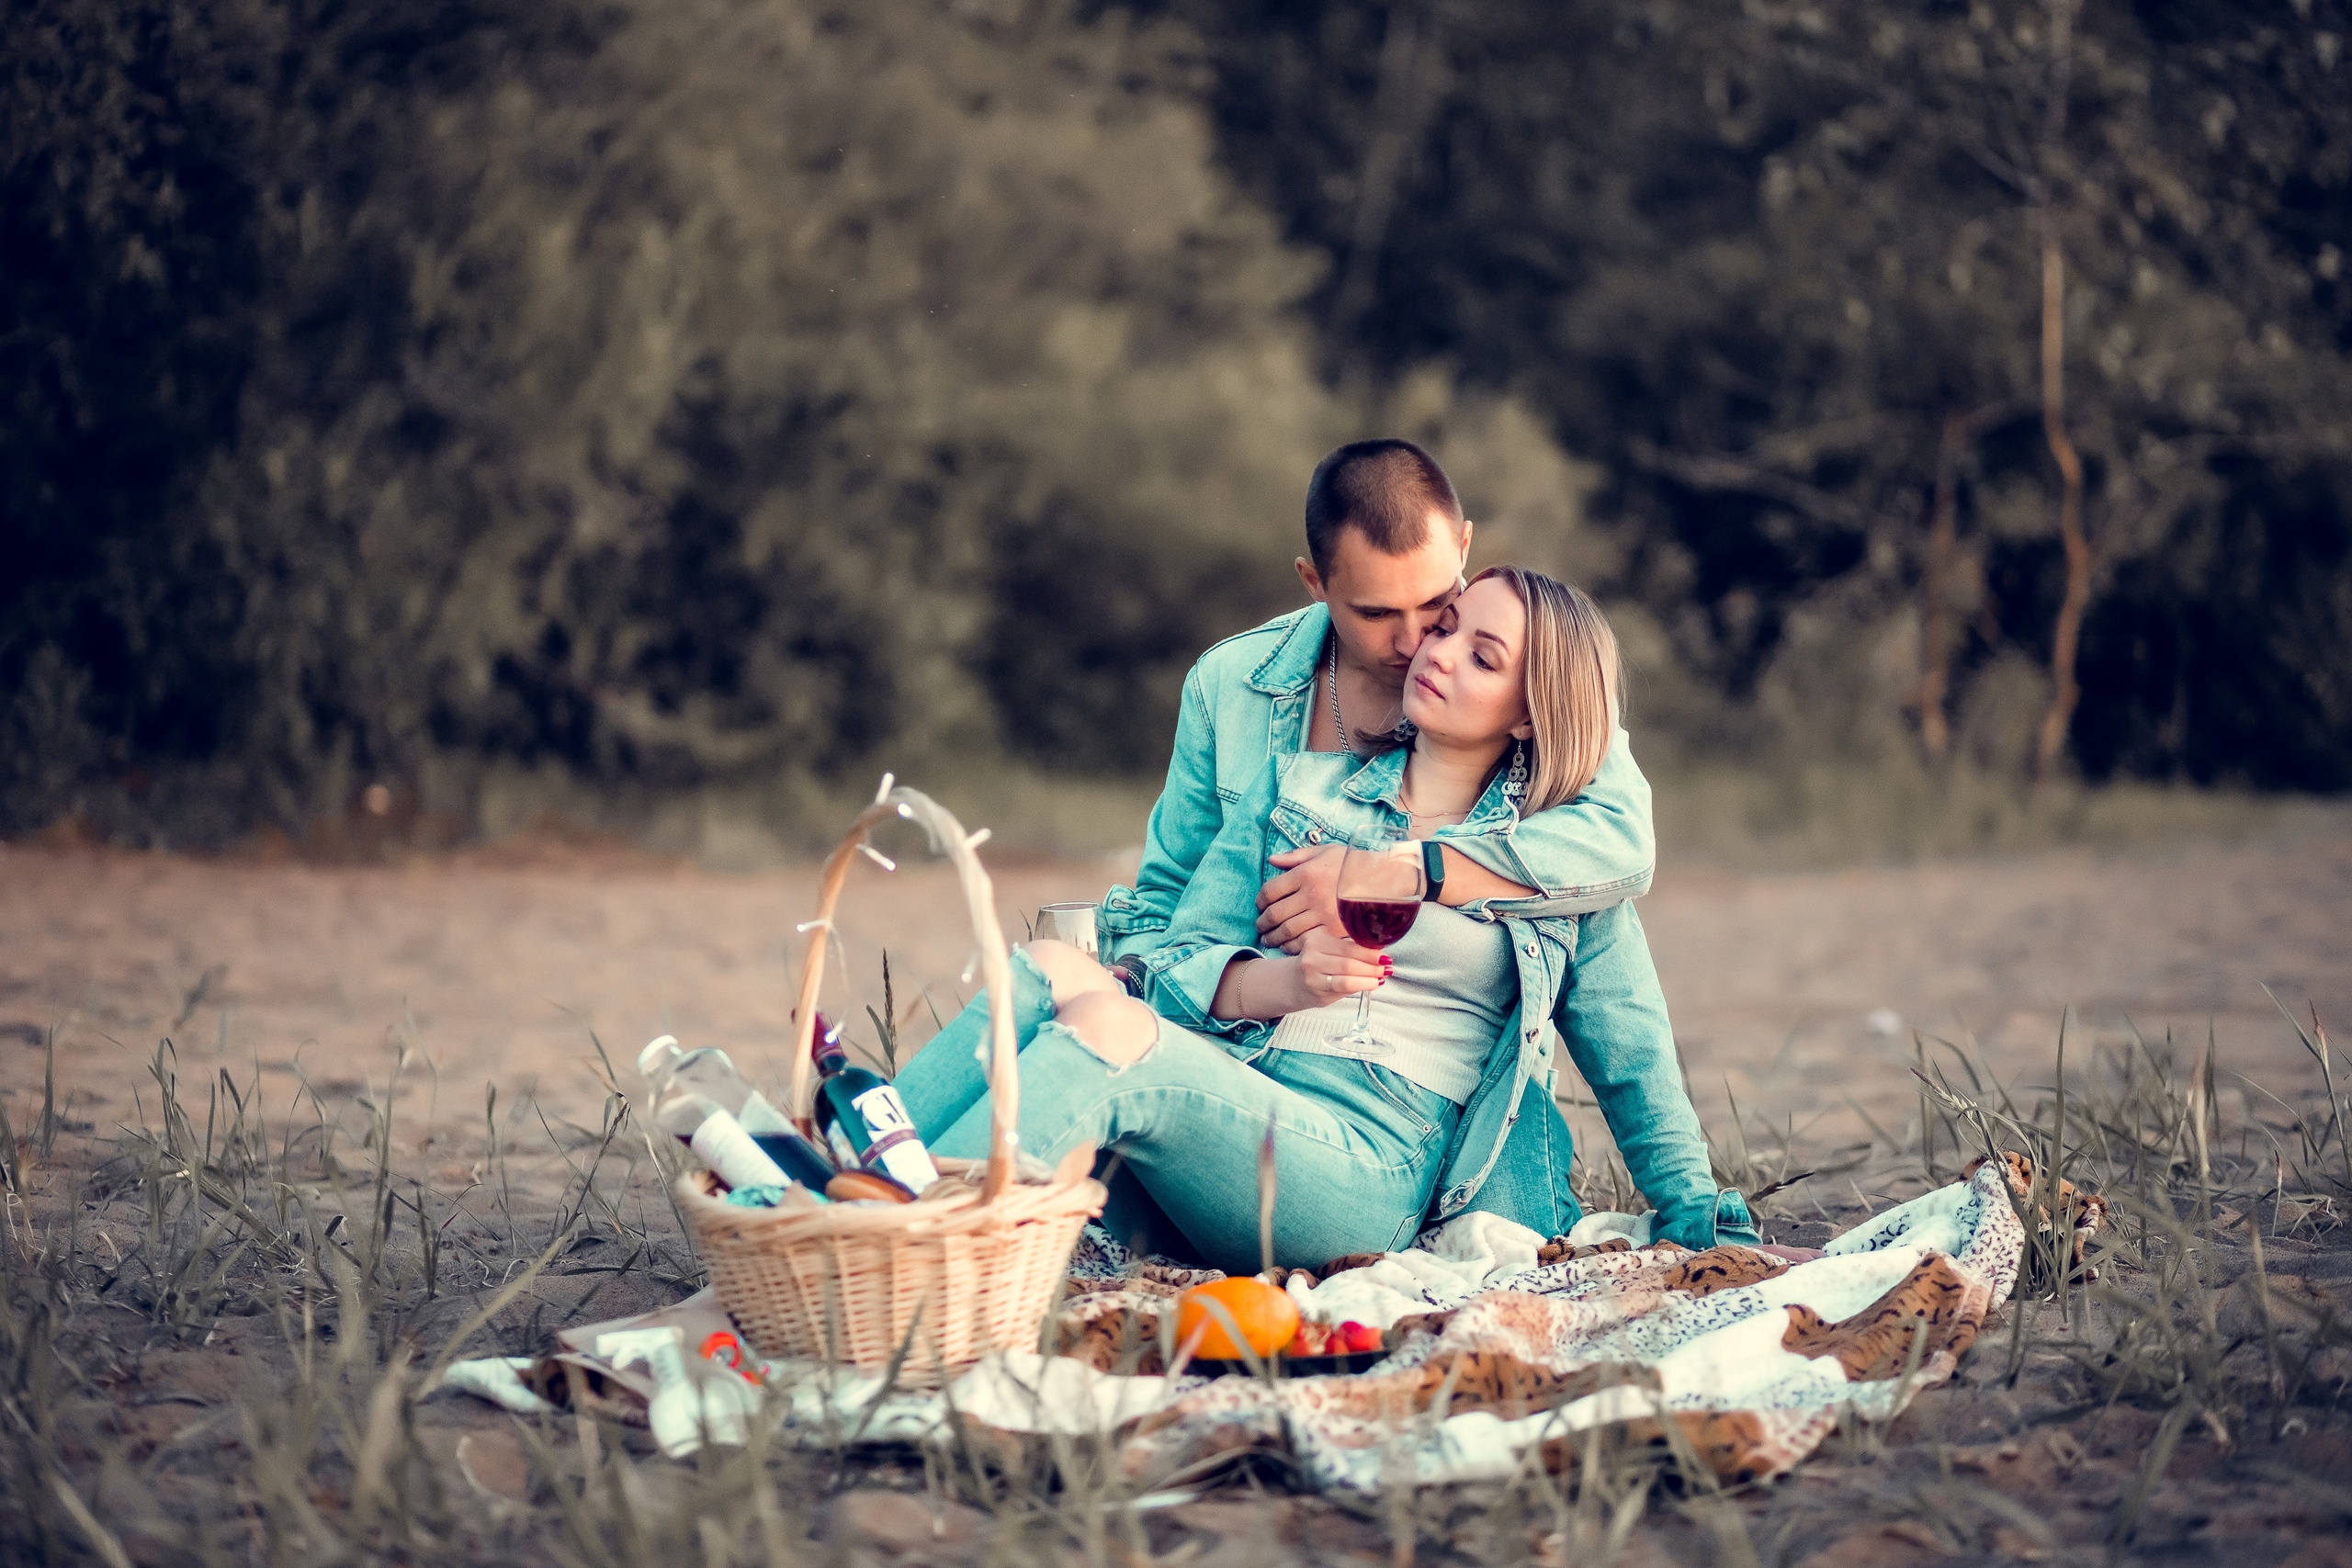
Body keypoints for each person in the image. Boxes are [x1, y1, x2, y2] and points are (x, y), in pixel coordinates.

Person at [897, 567, 1755, 1272]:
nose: (1440, 653)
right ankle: (835, 1195)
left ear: (1530, 713)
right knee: (1054, 967)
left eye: (1483, 656)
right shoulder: (1297, 791)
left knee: (1115, 1032)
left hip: (1366, 1165)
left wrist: (1696, 1215)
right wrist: (1287, 981)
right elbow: (1175, 959)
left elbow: (1633, 1054)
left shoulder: (1559, 871)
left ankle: (900, 1245)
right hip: (1233, 1113)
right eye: (1448, 625)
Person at [1098, 439, 1655, 969]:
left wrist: (1397, 874)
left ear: (1463, 546)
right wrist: (1126, 984)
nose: (1415, 642)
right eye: (1377, 614)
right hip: (1248, 1024)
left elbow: (1621, 846)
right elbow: (1171, 893)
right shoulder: (1227, 683)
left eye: (1436, 601)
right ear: (1314, 581)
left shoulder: (1524, 679)